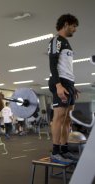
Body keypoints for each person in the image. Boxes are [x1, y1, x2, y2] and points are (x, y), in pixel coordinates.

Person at [48, 14, 79, 164]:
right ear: (66, 24)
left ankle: (64, 150)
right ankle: (55, 152)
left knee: (68, 119)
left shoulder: (66, 43)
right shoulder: (56, 41)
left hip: (69, 83)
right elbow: (52, 64)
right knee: (59, 117)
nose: (75, 30)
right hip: (60, 82)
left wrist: (73, 86)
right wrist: (58, 85)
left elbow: (66, 67)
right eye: (73, 26)